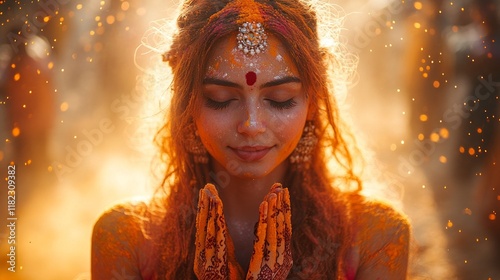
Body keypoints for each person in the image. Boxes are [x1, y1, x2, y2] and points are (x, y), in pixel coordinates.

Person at [91, 0, 410, 279]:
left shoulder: (376, 236)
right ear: (187, 105)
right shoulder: (125, 238)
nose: (252, 125)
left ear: (312, 104)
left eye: (281, 99)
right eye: (220, 98)